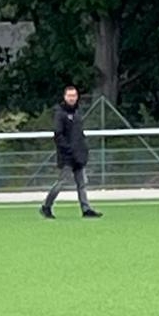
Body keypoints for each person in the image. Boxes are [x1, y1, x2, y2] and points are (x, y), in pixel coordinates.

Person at [41, 86, 101, 218]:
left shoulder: (77, 113)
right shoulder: (60, 113)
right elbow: (58, 135)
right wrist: (68, 149)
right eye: (69, 96)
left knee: (82, 183)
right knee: (61, 182)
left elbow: (79, 134)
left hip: (79, 155)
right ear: (65, 97)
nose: (72, 98)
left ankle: (86, 209)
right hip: (67, 156)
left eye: (74, 95)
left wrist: (83, 149)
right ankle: (46, 206)